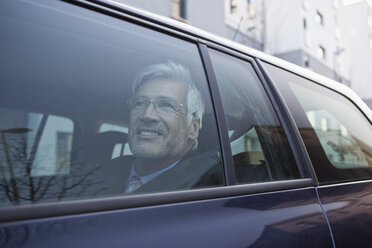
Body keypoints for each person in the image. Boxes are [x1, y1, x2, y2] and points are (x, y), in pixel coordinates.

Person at [121, 61, 221, 194]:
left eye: (166, 105)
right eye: (140, 103)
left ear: (193, 128)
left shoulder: (207, 185)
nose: (147, 115)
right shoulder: (100, 172)